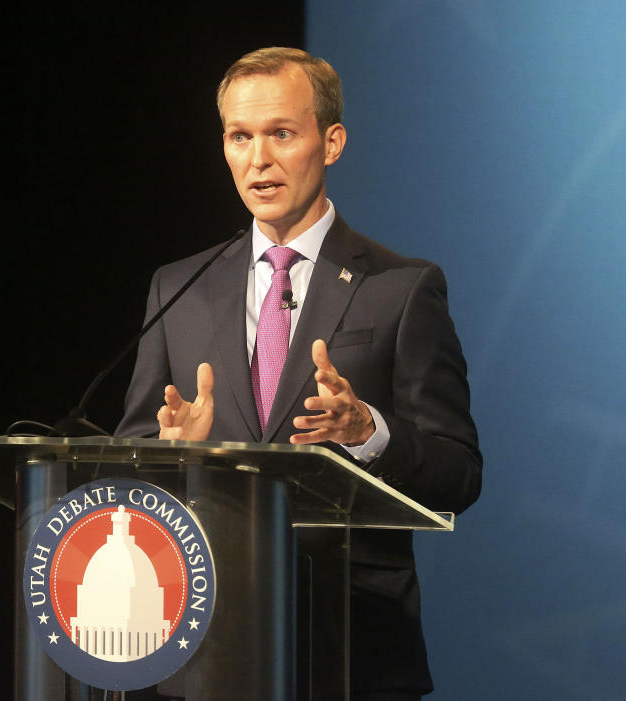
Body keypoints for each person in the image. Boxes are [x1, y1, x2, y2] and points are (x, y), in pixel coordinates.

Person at [117, 47, 482, 700]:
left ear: (331, 141)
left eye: (281, 133)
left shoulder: (400, 288)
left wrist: (368, 430)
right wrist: (173, 459)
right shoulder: (180, 288)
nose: (258, 159)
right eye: (240, 136)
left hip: (350, 648)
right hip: (205, 644)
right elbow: (129, 455)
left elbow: (459, 470)